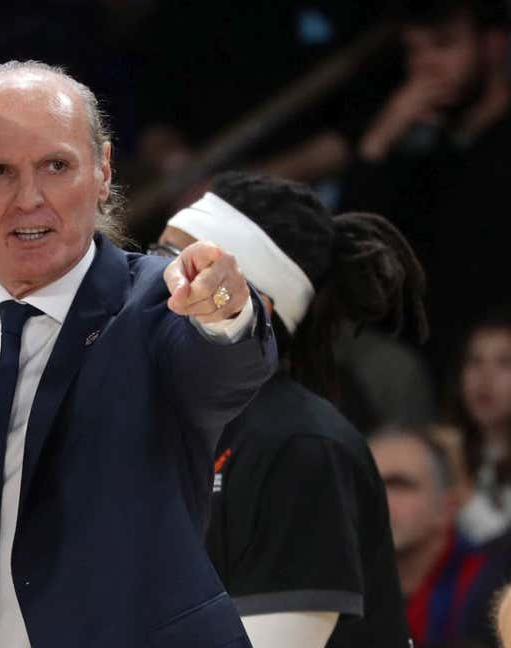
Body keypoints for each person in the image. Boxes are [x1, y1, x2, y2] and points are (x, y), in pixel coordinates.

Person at [0, 61, 276, 647]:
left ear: (102, 171)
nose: (30, 199)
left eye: (56, 166)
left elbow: (226, 366)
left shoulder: (155, 303)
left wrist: (223, 301)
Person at [158, 172, 423, 647]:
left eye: (178, 264)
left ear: (248, 302)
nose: (148, 278)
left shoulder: (300, 445)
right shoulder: (150, 419)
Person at [341, 0, 511, 373]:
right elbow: (354, 244)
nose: (424, 67)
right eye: (414, 51)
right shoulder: (423, 151)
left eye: (443, 45)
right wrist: (382, 136)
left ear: (494, 47)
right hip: (427, 360)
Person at [370, 427, 505, 647]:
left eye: (399, 484)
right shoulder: (336, 590)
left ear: (447, 508)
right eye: (365, 483)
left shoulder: (496, 594)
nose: (376, 498)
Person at [450, 309, 511, 544]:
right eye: (474, 362)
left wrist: (460, 485)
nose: (485, 378)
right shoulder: (442, 446)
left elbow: (502, 554)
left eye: (504, 363)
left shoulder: (451, 458)